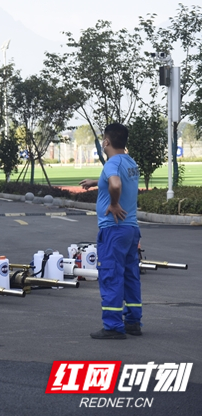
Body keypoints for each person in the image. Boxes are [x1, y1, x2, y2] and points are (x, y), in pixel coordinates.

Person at [79, 123, 142, 340]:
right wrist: (96, 182)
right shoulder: (130, 162)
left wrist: (114, 203)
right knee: (130, 275)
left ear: (106, 142)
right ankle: (133, 321)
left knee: (111, 276)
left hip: (113, 229)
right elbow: (116, 179)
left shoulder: (111, 164)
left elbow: (115, 184)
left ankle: (113, 326)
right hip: (131, 229)